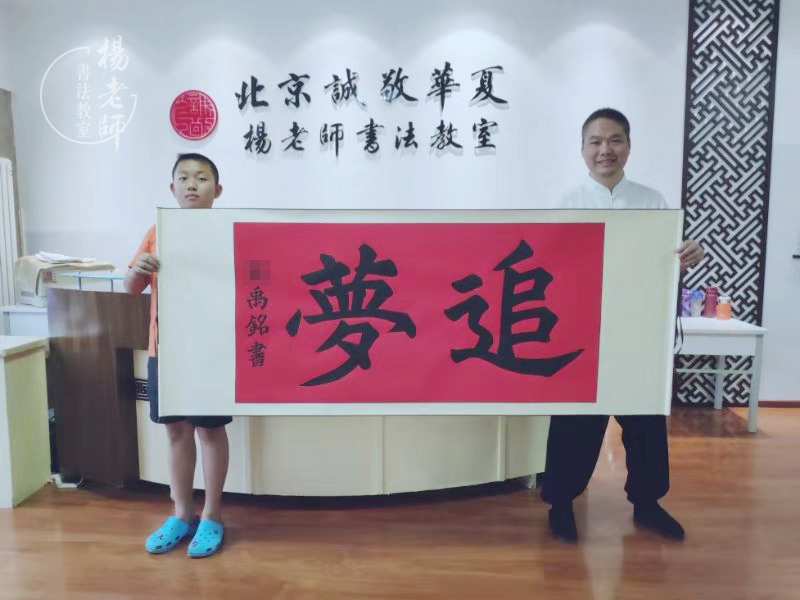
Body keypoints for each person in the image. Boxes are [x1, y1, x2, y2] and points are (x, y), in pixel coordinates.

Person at [541, 108, 705, 543]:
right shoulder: (566, 205)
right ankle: (560, 504)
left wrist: (688, 254)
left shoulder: (653, 203)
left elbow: (665, 265)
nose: (605, 150)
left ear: (629, 146)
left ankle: (648, 503)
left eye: (615, 140)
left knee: (645, 421)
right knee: (575, 421)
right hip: (582, 334)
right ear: (582, 149)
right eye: (595, 141)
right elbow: (552, 271)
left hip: (638, 331)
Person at [125, 153, 230, 558]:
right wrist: (139, 268)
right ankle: (182, 514)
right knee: (175, 431)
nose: (192, 184)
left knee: (210, 431)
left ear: (217, 190)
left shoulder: (229, 230)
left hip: (212, 351)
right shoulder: (158, 232)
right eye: (184, 178)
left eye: (202, 178)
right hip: (165, 351)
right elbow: (131, 287)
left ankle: (212, 516)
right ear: (172, 189)